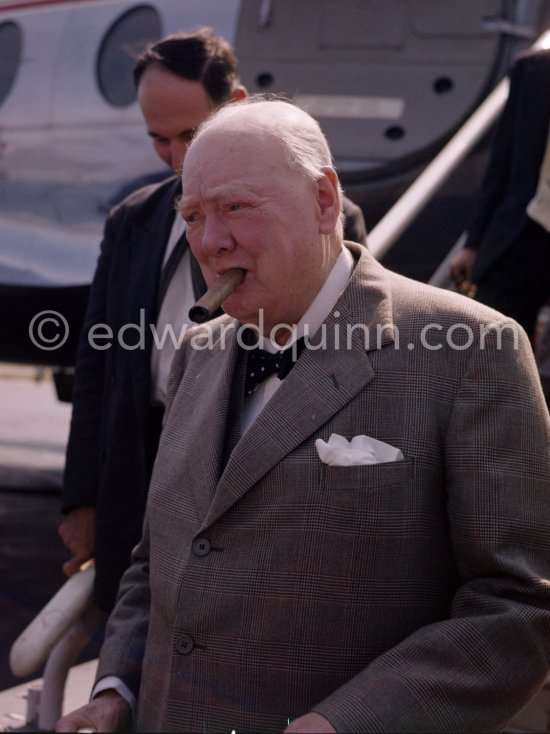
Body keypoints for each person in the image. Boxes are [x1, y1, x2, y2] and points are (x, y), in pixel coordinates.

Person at [56, 98, 550, 734]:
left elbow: (518, 607)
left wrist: (345, 723)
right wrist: (117, 687)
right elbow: (161, 558)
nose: (210, 242)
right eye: (193, 216)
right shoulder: (200, 351)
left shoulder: (473, 350)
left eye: (235, 208)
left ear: (324, 200)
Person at [58, 28, 367, 614]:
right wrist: (81, 501)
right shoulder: (133, 219)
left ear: (237, 106)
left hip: (237, 453)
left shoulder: (324, 215)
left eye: (190, 136)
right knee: (132, 625)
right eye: (159, 141)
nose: (178, 159)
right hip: (139, 454)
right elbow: (97, 361)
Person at [449, 47, 550, 339]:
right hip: (523, 228)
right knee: (491, 340)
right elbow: (501, 161)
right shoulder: (532, 70)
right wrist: (473, 243)